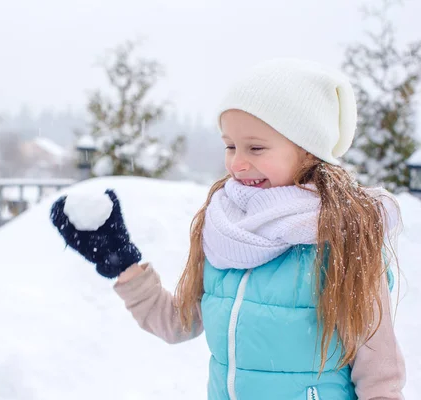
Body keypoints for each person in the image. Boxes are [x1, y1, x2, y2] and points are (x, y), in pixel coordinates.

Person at [50, 58, 406, 400]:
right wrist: (123, 263)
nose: (237, 162)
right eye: (230, 145)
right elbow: (178, 323)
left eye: (256, 147)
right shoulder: (226, 228)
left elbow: (379, 374)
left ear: (308, 150)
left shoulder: (342, 239)